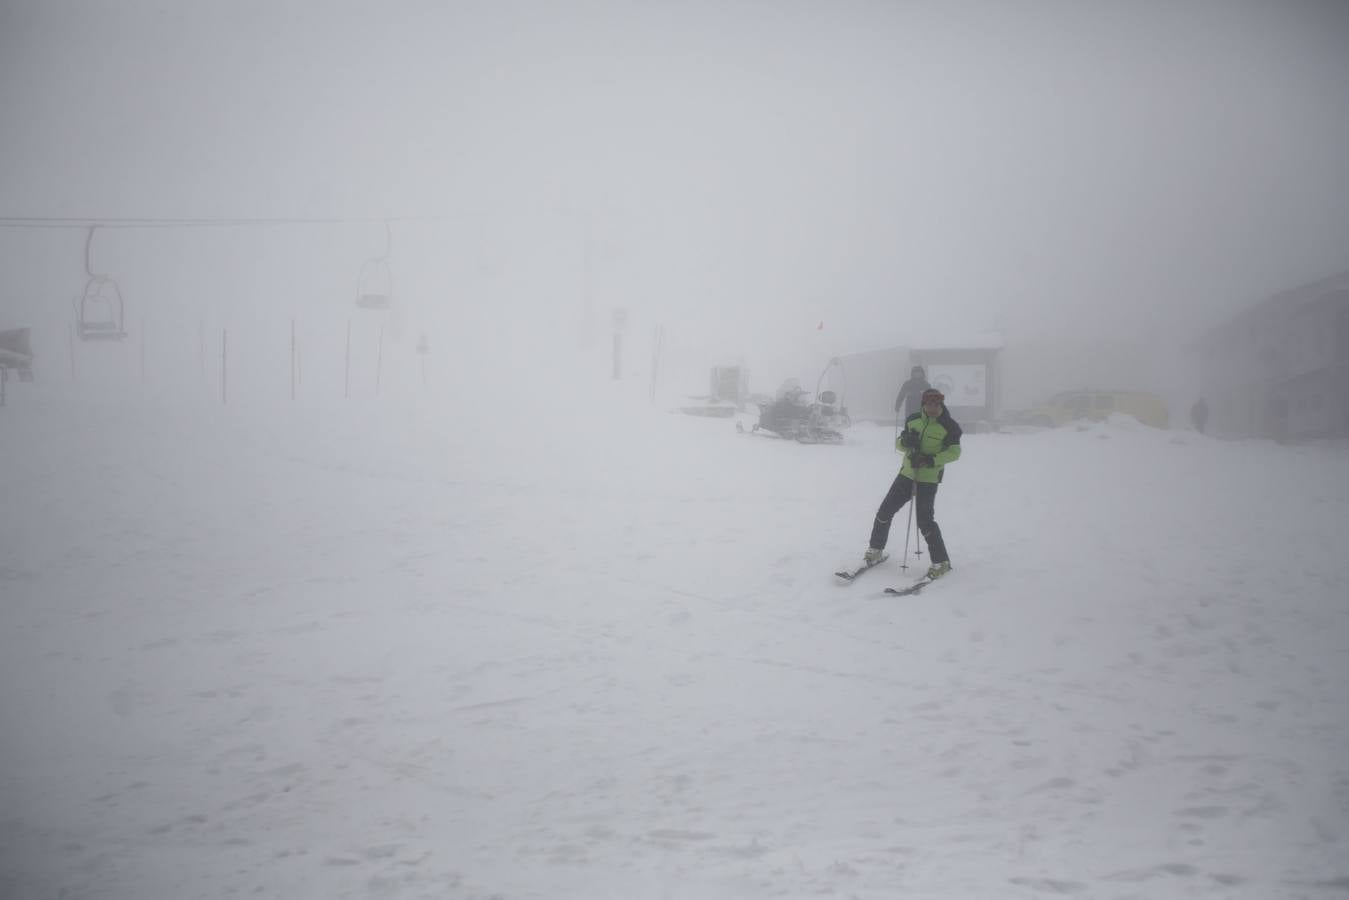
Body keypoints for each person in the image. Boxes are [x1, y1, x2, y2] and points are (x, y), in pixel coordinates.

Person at [864, 388, 962, 579]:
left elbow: (955, 453)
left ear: (941, 405)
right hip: (906, 475)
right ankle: (875, 549)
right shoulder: (913, 420)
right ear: (923, 404)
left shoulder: (950, 426)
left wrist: (930, 460)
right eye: (929, 404)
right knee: (885, 511)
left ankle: (941, 562)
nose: (932, 408)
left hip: (928, 479)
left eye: (936, 404)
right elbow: (898, 444)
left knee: (925, 521)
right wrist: (905, 441)